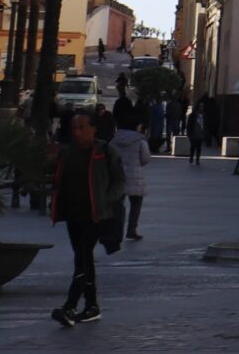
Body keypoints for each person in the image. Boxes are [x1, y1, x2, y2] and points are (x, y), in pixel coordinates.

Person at [49, 108, 124, 326]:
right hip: (73, 214)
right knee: (85, 258)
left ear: (93, 129)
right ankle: (92, 306)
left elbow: (119, 181)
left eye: (82, 127)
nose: (77, 132)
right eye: (74, 128)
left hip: (95, 215)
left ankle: (69, 307)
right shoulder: (68, 153)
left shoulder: (105, 151)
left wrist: (106, 201)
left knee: (81, 259)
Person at [109, 108, 151, 241]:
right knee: (136, 203)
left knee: (117, 204)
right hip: (135, 177)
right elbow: (145, 159)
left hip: (118, 176)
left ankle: (116, 229)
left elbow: (109, 156)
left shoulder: (114, 140)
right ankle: (132, 229)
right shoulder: (140, 141)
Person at [185, 102, 205, 166]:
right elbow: (189, 125)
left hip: (200, 134)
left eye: (202, 107)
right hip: (194, 133)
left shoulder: (204, 115)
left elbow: (206, 125)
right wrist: (188, 133)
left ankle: (197, 160)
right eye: (200, 106)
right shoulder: (192, 115)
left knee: (199, 147)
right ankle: (191, 158)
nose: (201, 108)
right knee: (193, 146)